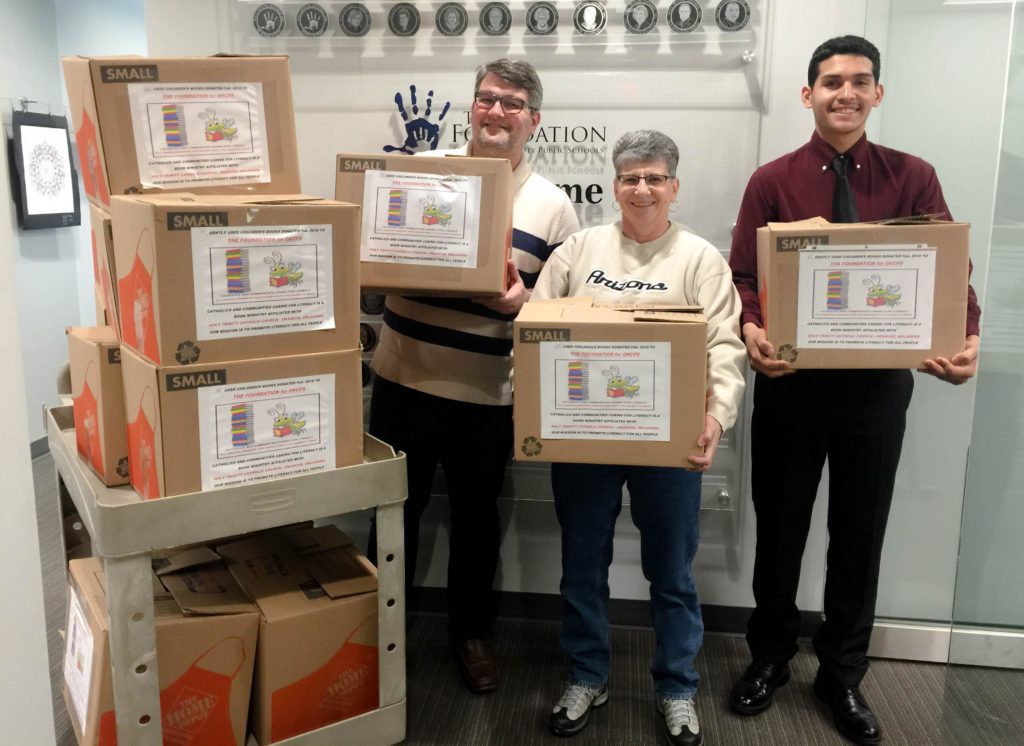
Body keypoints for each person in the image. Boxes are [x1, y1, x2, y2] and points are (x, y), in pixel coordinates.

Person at [726, 35, 981, 745]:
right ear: (807, 95)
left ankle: (842, 672)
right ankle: (770, 658)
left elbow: (948, 270)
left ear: (877, 94)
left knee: (859, 536)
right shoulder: (772, 181)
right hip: (791, 386)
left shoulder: (913, 177)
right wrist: (751, 329)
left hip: (875, 393)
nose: (846, 92)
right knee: (779, 532)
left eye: (860, 81)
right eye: (831, 82)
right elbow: (744, 275)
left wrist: (969, 334)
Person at [367, 59, 580, 694]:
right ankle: (380, 637)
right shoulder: (422, 176)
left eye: (512, 103)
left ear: (533, 120)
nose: (496, 112)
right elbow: (372, 287)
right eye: (486, 98)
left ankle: (470, 634)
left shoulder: (554, 207)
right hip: (402, 379)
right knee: (390, 516)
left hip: (487, 396)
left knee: (476, 520)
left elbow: (561, 317)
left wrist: (519, 306)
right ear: (471, 108)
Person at [533, 130, 746, 746]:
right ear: (614, 185)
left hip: (670, 444)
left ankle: (677, 687)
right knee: (581, 565)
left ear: (674, 187)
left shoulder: (701, 260)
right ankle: (587, 675)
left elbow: (725, 350)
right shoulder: (579, 251)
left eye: (655, 178)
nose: (642, 189)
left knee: (672, 573)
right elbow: (536, 331)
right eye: (631, 178)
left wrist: (715, 420)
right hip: (583, 441)